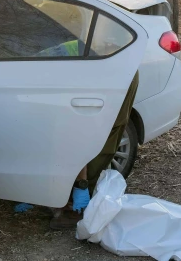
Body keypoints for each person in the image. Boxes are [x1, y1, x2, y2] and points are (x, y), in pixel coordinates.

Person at [50, 72, 139, 230]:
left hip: (108, 66)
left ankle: (77, 205)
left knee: (102, 132)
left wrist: (81, 185)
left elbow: (79, 137)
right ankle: (78, 198)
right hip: (116, 63)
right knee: (104, 130)